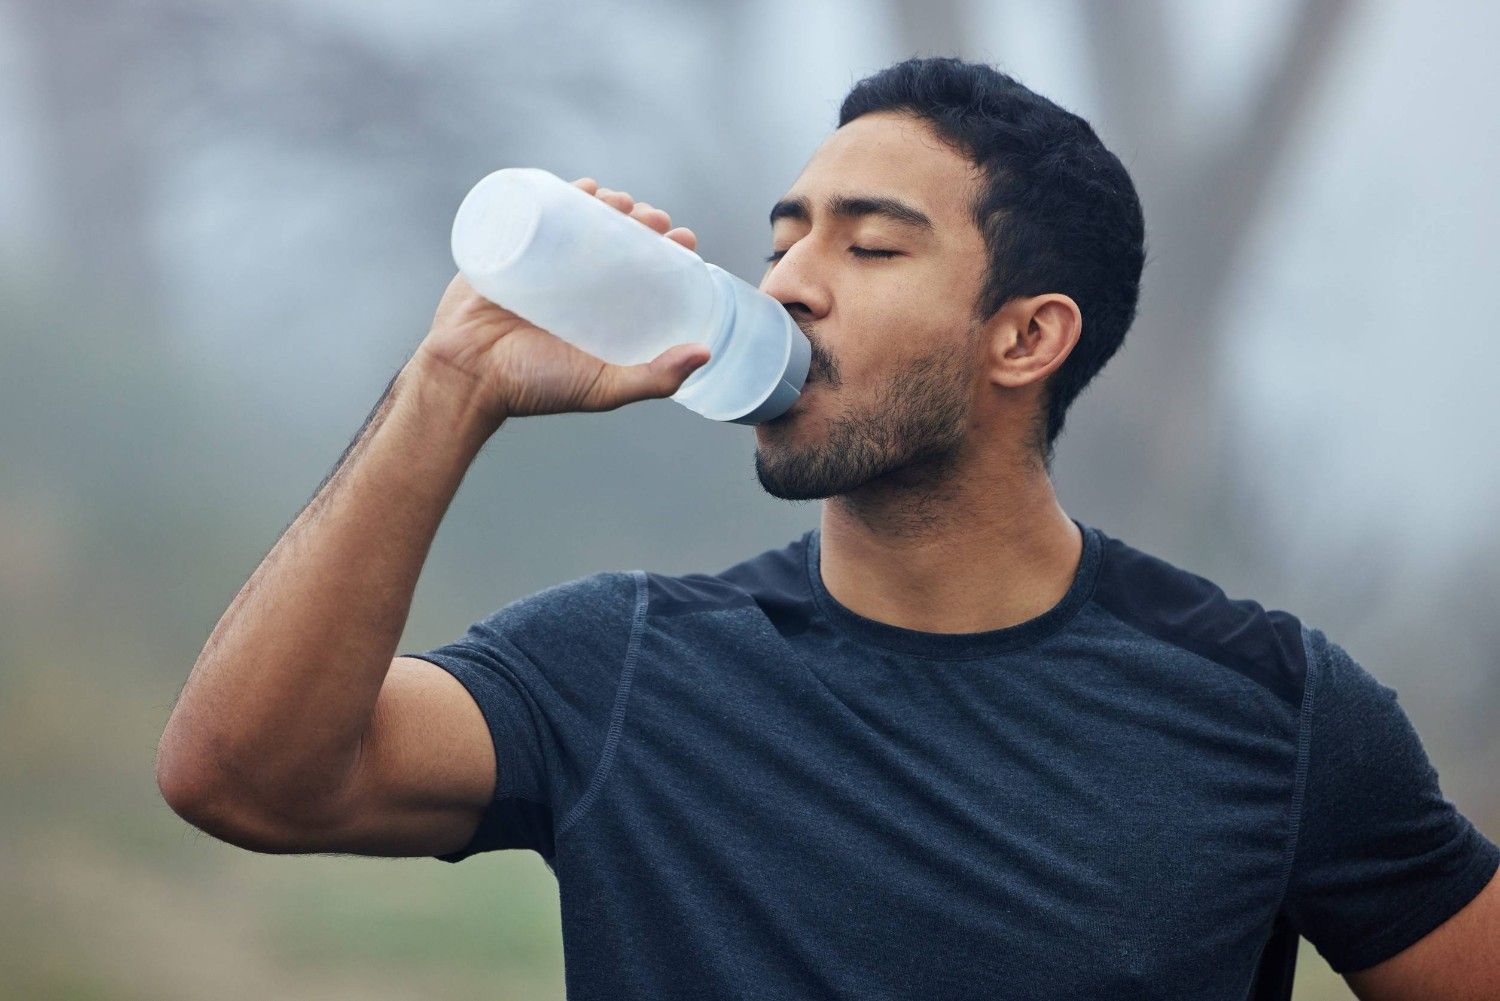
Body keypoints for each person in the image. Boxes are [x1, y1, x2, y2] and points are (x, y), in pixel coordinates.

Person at [156, 57, 1499, 1000]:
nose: (789, 281)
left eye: (869, 246)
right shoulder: (625, 667)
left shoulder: (1271, 706)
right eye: (785, 236)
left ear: (1026, 337)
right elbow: (243, 772)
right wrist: (451, 387)